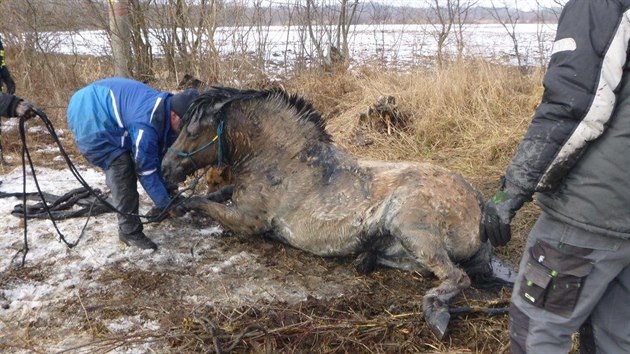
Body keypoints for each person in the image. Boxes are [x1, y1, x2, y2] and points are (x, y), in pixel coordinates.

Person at [479, 1, 630, 353]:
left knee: (538, 328)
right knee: (619, 335)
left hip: (593, 209)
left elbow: (572, 104)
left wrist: (511, 192)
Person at [67, 77, 198, 251]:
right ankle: (128, 230)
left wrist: (168, 196)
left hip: (106, 107)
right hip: (89, 116)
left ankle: (168, 197)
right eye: (184, 125)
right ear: (174, 115)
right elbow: (145, 169)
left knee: (159, 150)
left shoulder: (166, 109)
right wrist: (164, 204)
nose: (185, 130)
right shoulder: (146, 124)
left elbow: (161, 153)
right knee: (122, 165)